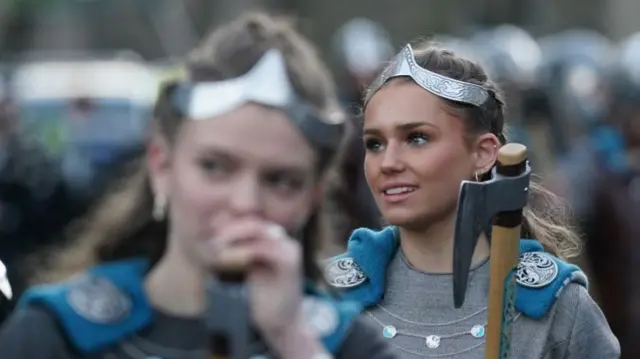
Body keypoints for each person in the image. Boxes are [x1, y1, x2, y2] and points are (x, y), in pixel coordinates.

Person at [0, 13, 397, 359]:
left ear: (311, 198)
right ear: (161, 166)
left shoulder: (346, 342)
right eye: (215, 167)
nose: (245, 203)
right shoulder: (58, 334)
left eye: (281, 181)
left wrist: (293, 340)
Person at [324, 41, 620, 358]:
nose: (388, 162)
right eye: (375, 143)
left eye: (417, 138)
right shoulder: (332, 299)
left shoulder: (557, 307)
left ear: (482, 153)